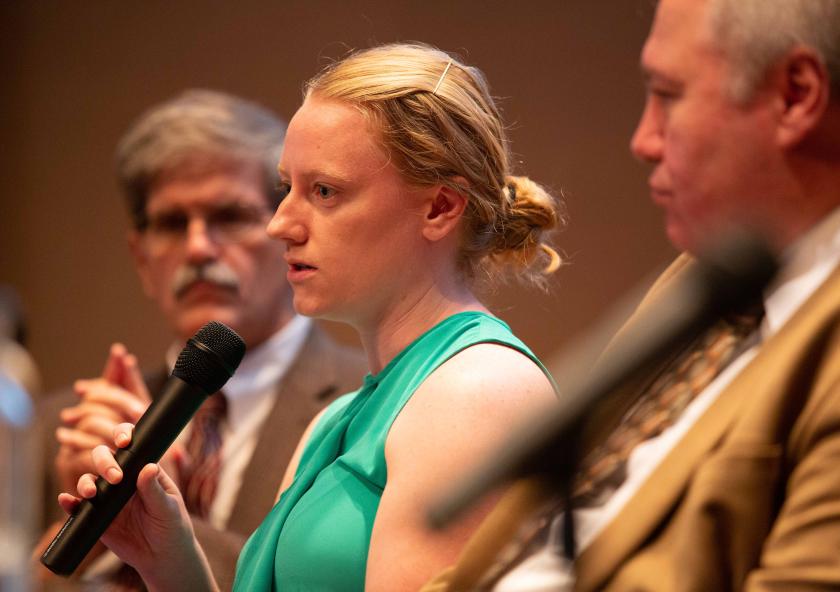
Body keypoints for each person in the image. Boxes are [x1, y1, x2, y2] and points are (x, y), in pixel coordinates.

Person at [58, 43, 563, 591]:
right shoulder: (338, 419)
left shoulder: (478, 393)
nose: (280, 225)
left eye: (324, 191)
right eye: (287, 189)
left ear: (439, 207)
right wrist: (171, 560)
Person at [423, 0, 840, 590]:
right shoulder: (705, 274)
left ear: (795, 96)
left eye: (668, 95)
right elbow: (505, 556)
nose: (644, 140)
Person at [35, 89, 367, 591]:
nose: (197, 248)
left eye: (229, 217)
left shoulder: (366, 408)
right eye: (171, 224)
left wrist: (157, 516)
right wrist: (91, 533)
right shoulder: (59, 431)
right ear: (142, 260)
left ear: (287, 232)